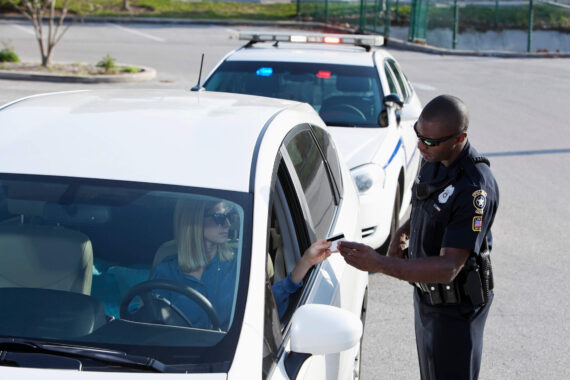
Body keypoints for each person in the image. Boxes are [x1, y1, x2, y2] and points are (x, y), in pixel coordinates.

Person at [338, 95, 498, 380]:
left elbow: (449, 267)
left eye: (431, 141)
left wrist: (378, 263)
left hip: (455, 312)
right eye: (419, 136)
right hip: (428, 299)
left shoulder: (474, 188)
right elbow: (427, 206)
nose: (421, 146)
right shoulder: (434, 158)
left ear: (459, 138)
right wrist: (403, 233)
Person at [151, 198, 332, 330]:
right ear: (194, 221)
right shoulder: (165, 272)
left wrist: (305, 262)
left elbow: (268, 308)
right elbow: (151, 323)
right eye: (219, 218)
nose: (228, 224)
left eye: (229, 216)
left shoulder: (238, 264)